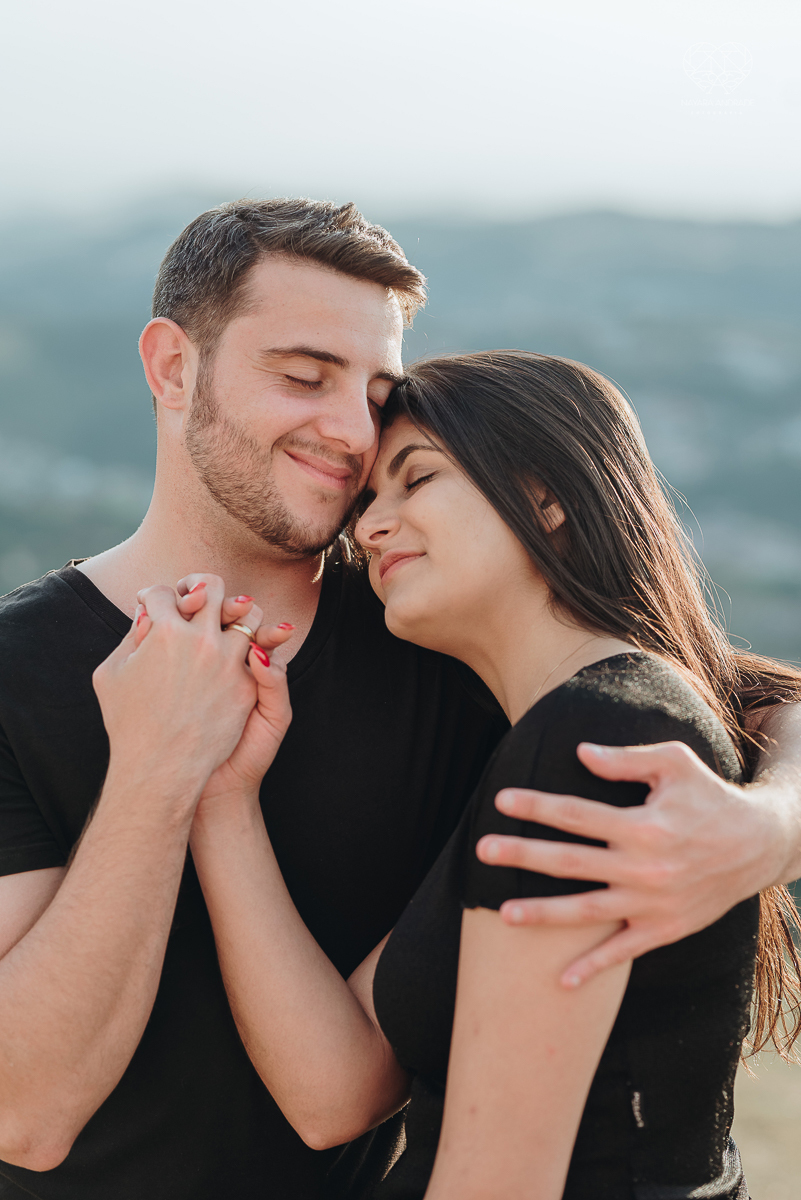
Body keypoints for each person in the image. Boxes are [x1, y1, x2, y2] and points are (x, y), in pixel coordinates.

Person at [0, 198, 798, 1200]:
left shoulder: (440, 621)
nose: (348, 433)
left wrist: (770, 826)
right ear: (171, 368)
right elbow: (22, 1113)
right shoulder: (16, 670)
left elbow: (708, 688)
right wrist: (167, 767)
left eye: (376, 392)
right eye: (302, 376)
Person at [145, 350, 801, 1200]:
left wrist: (772, 826)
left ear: (546, 495)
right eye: (369, 502)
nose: (370, 525)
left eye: (416, 480)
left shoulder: (597, 740)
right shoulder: (554, 728)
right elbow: (332, 1090)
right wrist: (222, 792)